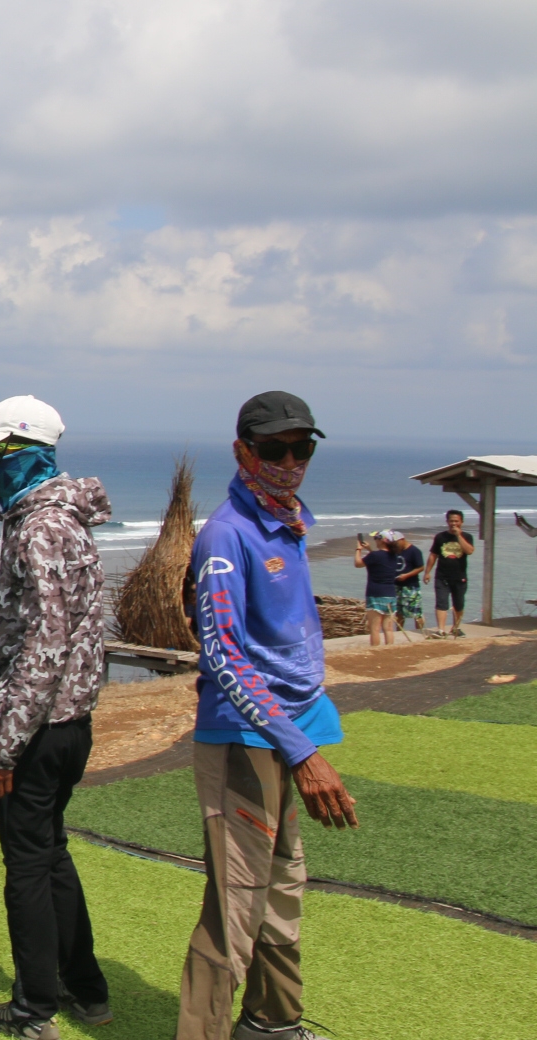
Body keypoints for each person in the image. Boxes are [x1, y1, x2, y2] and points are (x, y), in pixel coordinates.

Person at [178, 390, 359, 1040]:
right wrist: (303, 754)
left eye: (301, 447)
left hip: (289, 731)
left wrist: (305, 738)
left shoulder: (286, 519)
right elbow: (223, 653)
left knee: (282, 891)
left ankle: (273, 1023)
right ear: (242, 452)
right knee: (235, 907)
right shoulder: (228, 534)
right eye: (274, 449)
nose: (290, 461)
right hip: (246, 740)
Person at [0, 395, 114, 1038]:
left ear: (22, 455)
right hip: (67, 725)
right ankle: (86, 989)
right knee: (50, 856)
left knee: (26, 868)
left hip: (39, 729)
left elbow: (43, 643)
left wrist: (1, 748)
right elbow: (1, 600)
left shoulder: (41, 528)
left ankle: (33, 1009)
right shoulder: (48, 520)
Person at [429, 510, 475, 637]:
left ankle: (456, 628)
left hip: (459, 577)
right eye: (451, 521)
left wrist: (459, 536)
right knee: (441, 602)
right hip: (442, 576)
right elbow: (433, 555)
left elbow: (470, 551)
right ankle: (441, 630)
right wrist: (428, 572)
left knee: (459, 604)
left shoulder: (467, 536)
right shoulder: (440, 537)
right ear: (447, 521)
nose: (453, 524)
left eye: (456, 521)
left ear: (461, 522)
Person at [353, 531, 399, 646]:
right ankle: (389, 650)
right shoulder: (394, 556)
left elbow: (358, 563)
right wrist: (369, 549)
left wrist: (358, 549)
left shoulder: (374, 556)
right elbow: (380, 560)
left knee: (375, 629)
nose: (375, 541)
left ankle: (376, 652)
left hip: (375, 594)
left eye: (376, 538)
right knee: (388, 628)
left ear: (382, 540)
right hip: (390, 594)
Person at [392, 532, 426, 634]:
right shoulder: (395, 551)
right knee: (399, 612)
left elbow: (420, 567)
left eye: (396, 543)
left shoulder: (414, 551)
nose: (395, 546)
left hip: (411, 586)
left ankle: (420, 632)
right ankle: (399, 632)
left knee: (416, 611)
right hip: (397, 585)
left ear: (402, 540)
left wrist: (406, 575)